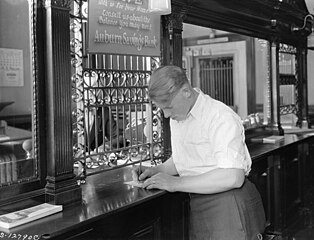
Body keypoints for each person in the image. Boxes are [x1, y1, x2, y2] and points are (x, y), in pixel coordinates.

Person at [132, 65, 266, 240]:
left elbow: (233, 176)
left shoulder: (219, 116)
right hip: (199, 203)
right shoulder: (179, 116)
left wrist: (175, 183)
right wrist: (158, 170)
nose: (165, 115)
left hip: (229, 204)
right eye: (161, 109)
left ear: (186, 91)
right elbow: (186, 158)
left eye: (169, 107)